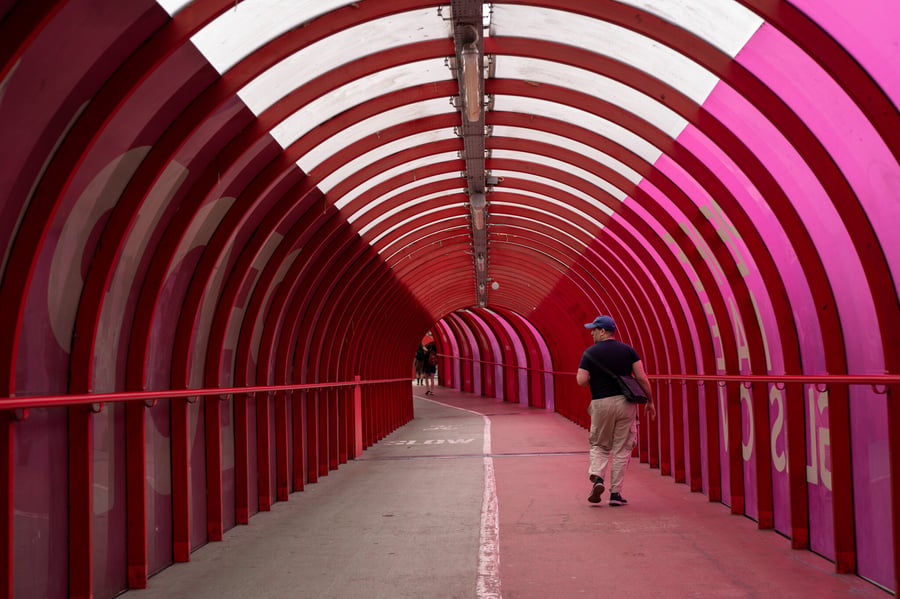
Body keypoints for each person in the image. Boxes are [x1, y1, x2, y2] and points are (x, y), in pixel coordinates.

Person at [576, 315, 655, 506]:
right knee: (622, 448)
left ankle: (598, 479)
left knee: (599, 444)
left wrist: (594, 377)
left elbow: (581, 380)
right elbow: (641, 377)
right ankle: (615, 494)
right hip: (625, 403)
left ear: (602, 331)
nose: (591, 332)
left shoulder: (589, 353)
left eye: (594, 329)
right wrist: (650, 401)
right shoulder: (628, 351)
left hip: (601, 403)